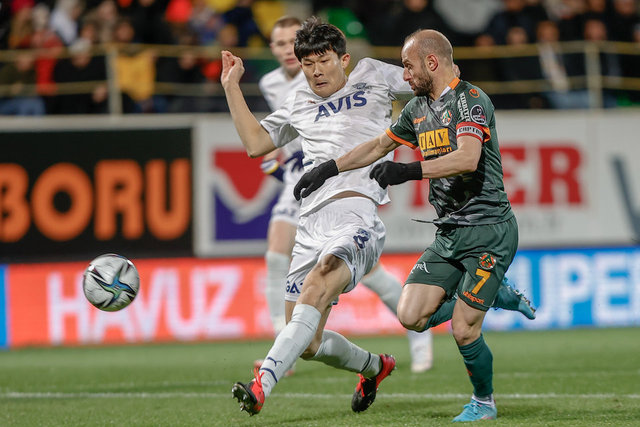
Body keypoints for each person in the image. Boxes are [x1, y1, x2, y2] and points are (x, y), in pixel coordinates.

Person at [224, 17, 534, 417]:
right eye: (307, 64)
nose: (315, 71)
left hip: (358, 215)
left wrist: (412, 161)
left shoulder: (374, 75)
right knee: (309, 341)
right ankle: (374, 367)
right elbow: (256, 145)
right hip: (313, 223)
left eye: (323, 61)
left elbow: (431, 77)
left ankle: (262, 383)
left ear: (344, 59)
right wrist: (231, 87)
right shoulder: (298, 101)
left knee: (324, 283)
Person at [294, 29, 518, 422]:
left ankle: (484, 402)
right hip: (449, 233)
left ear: (432, 62)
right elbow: (378, 146)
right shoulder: (416, 109)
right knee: (410, 316)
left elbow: (467, 158)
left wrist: (408, 171)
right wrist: (327, 169)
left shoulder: (470, 100)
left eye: (409, 66)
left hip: (489, 230)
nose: (405, 74)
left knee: (464, 329)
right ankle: (488, 294)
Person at [256, 15, 434, 376]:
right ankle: (283, 341)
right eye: (281, 44)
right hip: (303, 182)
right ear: (277, 50)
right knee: (276, 254)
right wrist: (278, 165)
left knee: (366, 273)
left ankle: (417, 332)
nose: (289, 51)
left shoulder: (344, 75)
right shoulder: (273, 84)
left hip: (346, 180)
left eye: (292, 42)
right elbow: (270, 139)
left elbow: (412, 85)